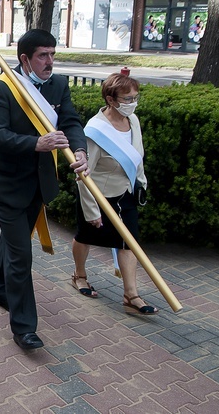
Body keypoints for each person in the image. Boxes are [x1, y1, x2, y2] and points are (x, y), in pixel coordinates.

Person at [0, 29, 88, 350]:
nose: (50, 62)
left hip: (39, 185)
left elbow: (70, 121)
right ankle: (24, 327)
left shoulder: (57, 85)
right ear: (25, 58)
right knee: (21, 254)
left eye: (53, 54)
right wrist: (37, 143)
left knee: (12, 241)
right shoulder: (2, 89)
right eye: (43, 55)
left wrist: (80, 148)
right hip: (7, 185)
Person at [70, 73, 156, 314]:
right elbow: (83, 176)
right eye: (127, 98)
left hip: (125, 194)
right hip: (98, 197)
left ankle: (131, 295)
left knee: (129, 242)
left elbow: (137, 156)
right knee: (85, 237)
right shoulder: (95, 131)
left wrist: (141, 185)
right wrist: (91, 211)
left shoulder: (134, 121)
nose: (133, 102)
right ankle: (79, 275)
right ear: (110, 99)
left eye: (135, 97)